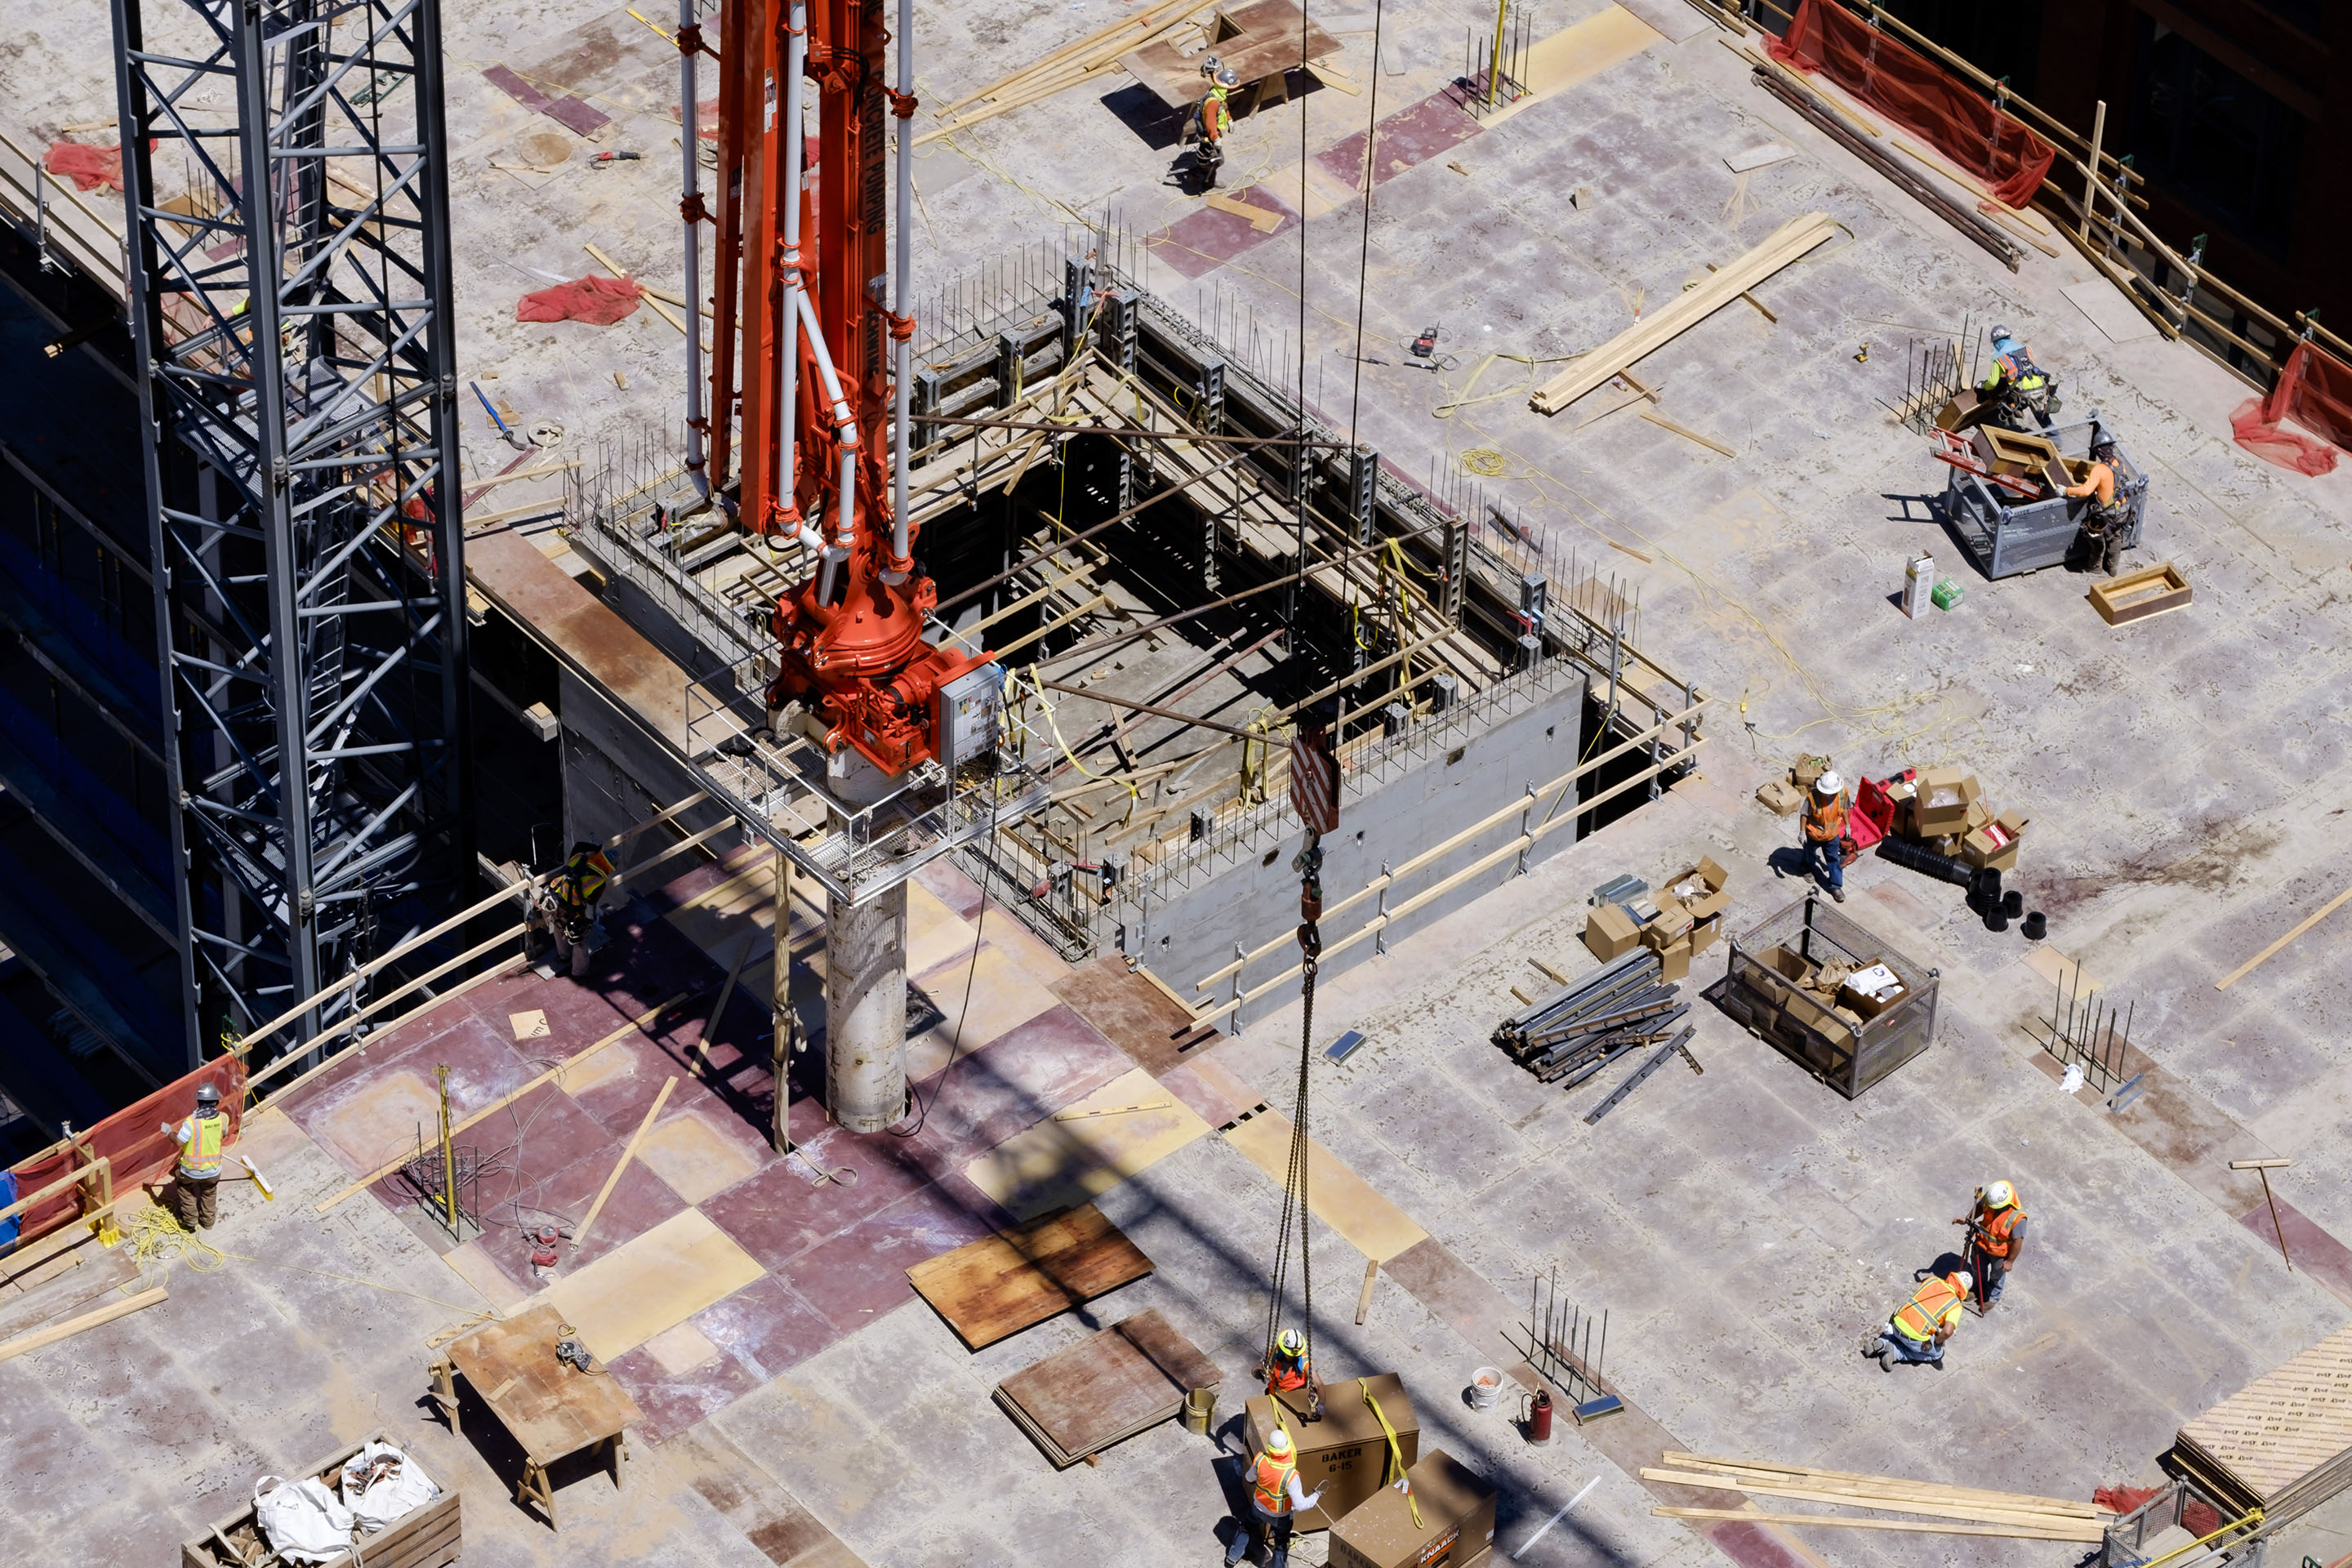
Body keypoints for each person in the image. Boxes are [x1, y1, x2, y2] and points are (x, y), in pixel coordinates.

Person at [1223, 1425, 1324, 1568]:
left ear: (1270, 1447)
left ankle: (1232, 1558)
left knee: (1245, 1529)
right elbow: (1300, 1505)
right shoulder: (1290, 1475)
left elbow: (1249, 1478)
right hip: (1280, 1517)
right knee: (1281, 1545)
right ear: (1287, 1448)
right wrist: (1315, 1496)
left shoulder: (1260, 1461)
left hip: (1258, 1508)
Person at [1866, 1270, 1971, 1370]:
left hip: (1896, 1322)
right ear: (1964, 1291)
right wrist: (1937, 1341)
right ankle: (1896, 1352)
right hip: (1914, 1337)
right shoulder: (1955, 1305)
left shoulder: (1932, 1280)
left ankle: (1882, 1342)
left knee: (1905, 1328)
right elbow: (1948, 1331)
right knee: (1937, 1354)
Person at [160, 1081, 228, 1231]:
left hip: (191, 1170)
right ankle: (208, 1222)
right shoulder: (223, 1118)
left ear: (199, 1101)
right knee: (209, 1192)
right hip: (213, 1169)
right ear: (216, 1102)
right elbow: (223, 1134)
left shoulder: (191, 1122)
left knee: (186, 1190)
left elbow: (178, 1142)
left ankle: (190, 1221)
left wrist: (168, 1131)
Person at [546, 840, 614, 977]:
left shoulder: (578, 859)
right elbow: (592, 901)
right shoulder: (599, 881)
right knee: (580, 941)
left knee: (558, 928)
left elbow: (579, 846)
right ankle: (579, 972)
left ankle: (563, 956)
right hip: (573, 911)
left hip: (555, 900)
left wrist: (595, 847)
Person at [2063, 439, 2132, 576]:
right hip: (2123, 510)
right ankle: (2112, 568)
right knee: (2116, 537)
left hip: (2106, 514)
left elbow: (2085, 491)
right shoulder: (2120, 464)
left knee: (2096, 539)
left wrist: (2066, 491)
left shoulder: (2100, 469)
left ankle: (2095, 567)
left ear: (2099, 451)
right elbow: (2114, 484)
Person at [1957, 1181, 2027, 1307]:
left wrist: (2010, 1261)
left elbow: (2018, 1241)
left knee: (1997, 1276)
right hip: (1981, 1244)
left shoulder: (2018, 1217)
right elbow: (1979, 1206)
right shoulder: (1991, 1198)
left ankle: (1992, 1297)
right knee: (1978, 1269)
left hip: (2000, 1253)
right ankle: (1977, 1289)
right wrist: (1968, 1219)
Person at [1977, 325, 2056, 429]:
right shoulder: (2027, 349)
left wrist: (1983, 385)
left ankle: (2010, 431)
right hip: (2041, 387)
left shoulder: (1999, 359)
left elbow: (1992, 383)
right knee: (2040, 413)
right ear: (2008, 337)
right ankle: (2054, 436)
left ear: (1996, 343)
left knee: (2004, 410)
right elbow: (2023, 367)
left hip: (2022, 393)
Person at [1802, 770, 1851, 905]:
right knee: (1809, 853)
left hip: (1831, 835)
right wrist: (1802, 832)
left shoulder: (1842, 794)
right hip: (1814, 834)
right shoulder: (1813, 797)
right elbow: (1804, 814)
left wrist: (1848, 825)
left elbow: (1846, 809)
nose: (1828, 795)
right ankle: (1807, 868)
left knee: (1833, 859)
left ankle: (1836, 886)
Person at [1193, 63, 1238, 189]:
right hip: (1210, 136)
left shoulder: (1219, 94)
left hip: (1214, 134)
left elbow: (1224, 106)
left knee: (1212, 160)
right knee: (1216, 161)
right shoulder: (1213, 101)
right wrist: (1215, 138)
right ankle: (1206, 181)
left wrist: (1229, 119)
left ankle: (1202, 172)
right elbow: (1210, 122)